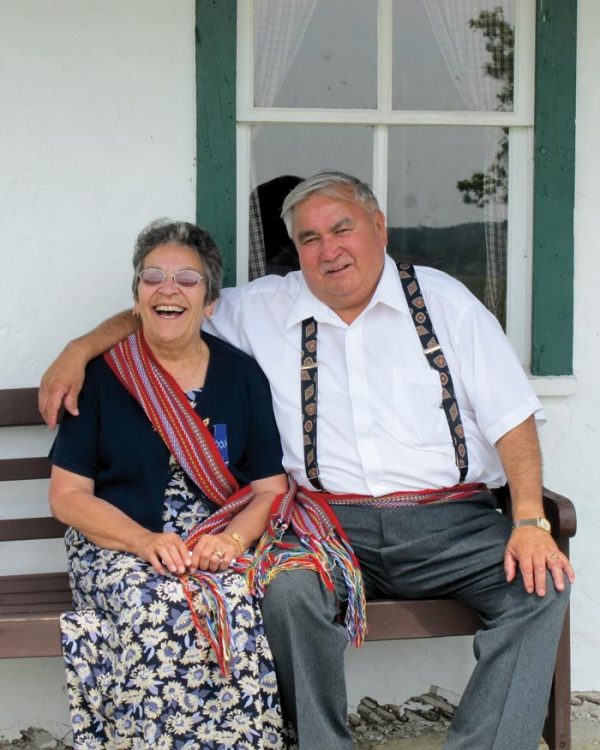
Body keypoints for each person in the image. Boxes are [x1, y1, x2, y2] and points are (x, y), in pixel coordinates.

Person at [41, 173, 575, 750]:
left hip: (450, 522)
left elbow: (512, 417)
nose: (328, 249)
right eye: (309, 238)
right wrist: (80, 349)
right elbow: (169, 310)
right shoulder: (263, 306)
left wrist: (528, 520)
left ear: (378, 227)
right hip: (328, 525)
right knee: (289, 593)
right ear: (295, 251)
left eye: (341, 228)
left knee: (540, 587)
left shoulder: (446, 302)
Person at [48, 219, 290, 749]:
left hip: (214, 538)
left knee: (236, 596)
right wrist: (144, 542)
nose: (168, 289)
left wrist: (231, 543)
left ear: (209, 303)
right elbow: (67, 497)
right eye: (152, 276)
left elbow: (270, 489)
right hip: (118, 540)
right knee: (155, 602)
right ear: (136, 297)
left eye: (187, 278)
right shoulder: (102, 377)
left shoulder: (241, 376)